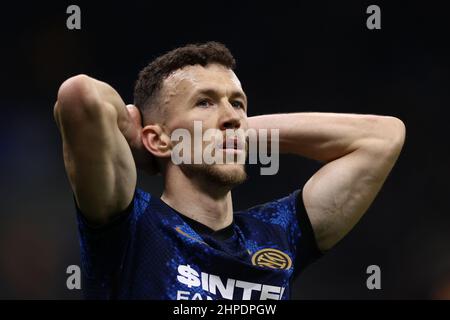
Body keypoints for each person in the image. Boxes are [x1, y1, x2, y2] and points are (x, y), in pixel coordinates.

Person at [53, 42, 405, 300]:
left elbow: (382, 137)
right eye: (204, 102)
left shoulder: (279, 234)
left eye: (238, 103)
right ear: (157, 140)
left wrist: (236, 132)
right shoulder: (131, 228)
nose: (233, 116)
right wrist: (138, 137)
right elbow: (80, 94)